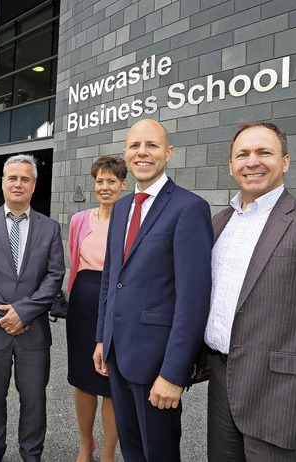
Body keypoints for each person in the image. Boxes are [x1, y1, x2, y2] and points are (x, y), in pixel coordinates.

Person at [204, 121, 296, 461]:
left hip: (285, 392)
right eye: (243, 154)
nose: (252, 162)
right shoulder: (217, 223)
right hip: (223, 380)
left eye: (264, 152)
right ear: (231, 166)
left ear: (286, 161)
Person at [93, 119, 213, 462]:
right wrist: (103, 338)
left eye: (152, 145)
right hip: (118, 354)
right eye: (134, 146)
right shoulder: (120, 208)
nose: (142, 152)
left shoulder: (189, 208)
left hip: (157, 363)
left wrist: (174, 373)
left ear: (168, 153)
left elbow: (193, 299)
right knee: (131, 450)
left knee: (158, 453)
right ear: (126, 153)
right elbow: (110, 278)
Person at [0, 154, 65, 462]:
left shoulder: (50, 227)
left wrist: (24, 312)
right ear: (3, 182)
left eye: (25, 179)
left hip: (34, 333)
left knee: (34, 401)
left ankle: (31, 454)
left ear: (34, 185)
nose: (18, 184)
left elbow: (54, 276)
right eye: (13, 178)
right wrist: (5, 314)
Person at [67, 156, 126, 462]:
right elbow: (74, 264)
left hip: (116, 306)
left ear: (123, 185)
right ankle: (85, 442)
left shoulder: (132, 222)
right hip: (82, 304)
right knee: (82, 379)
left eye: (111, 181)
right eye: (100, 181)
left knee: (110, 382)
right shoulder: (79, 220)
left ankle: (107, 452)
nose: (105, 187)